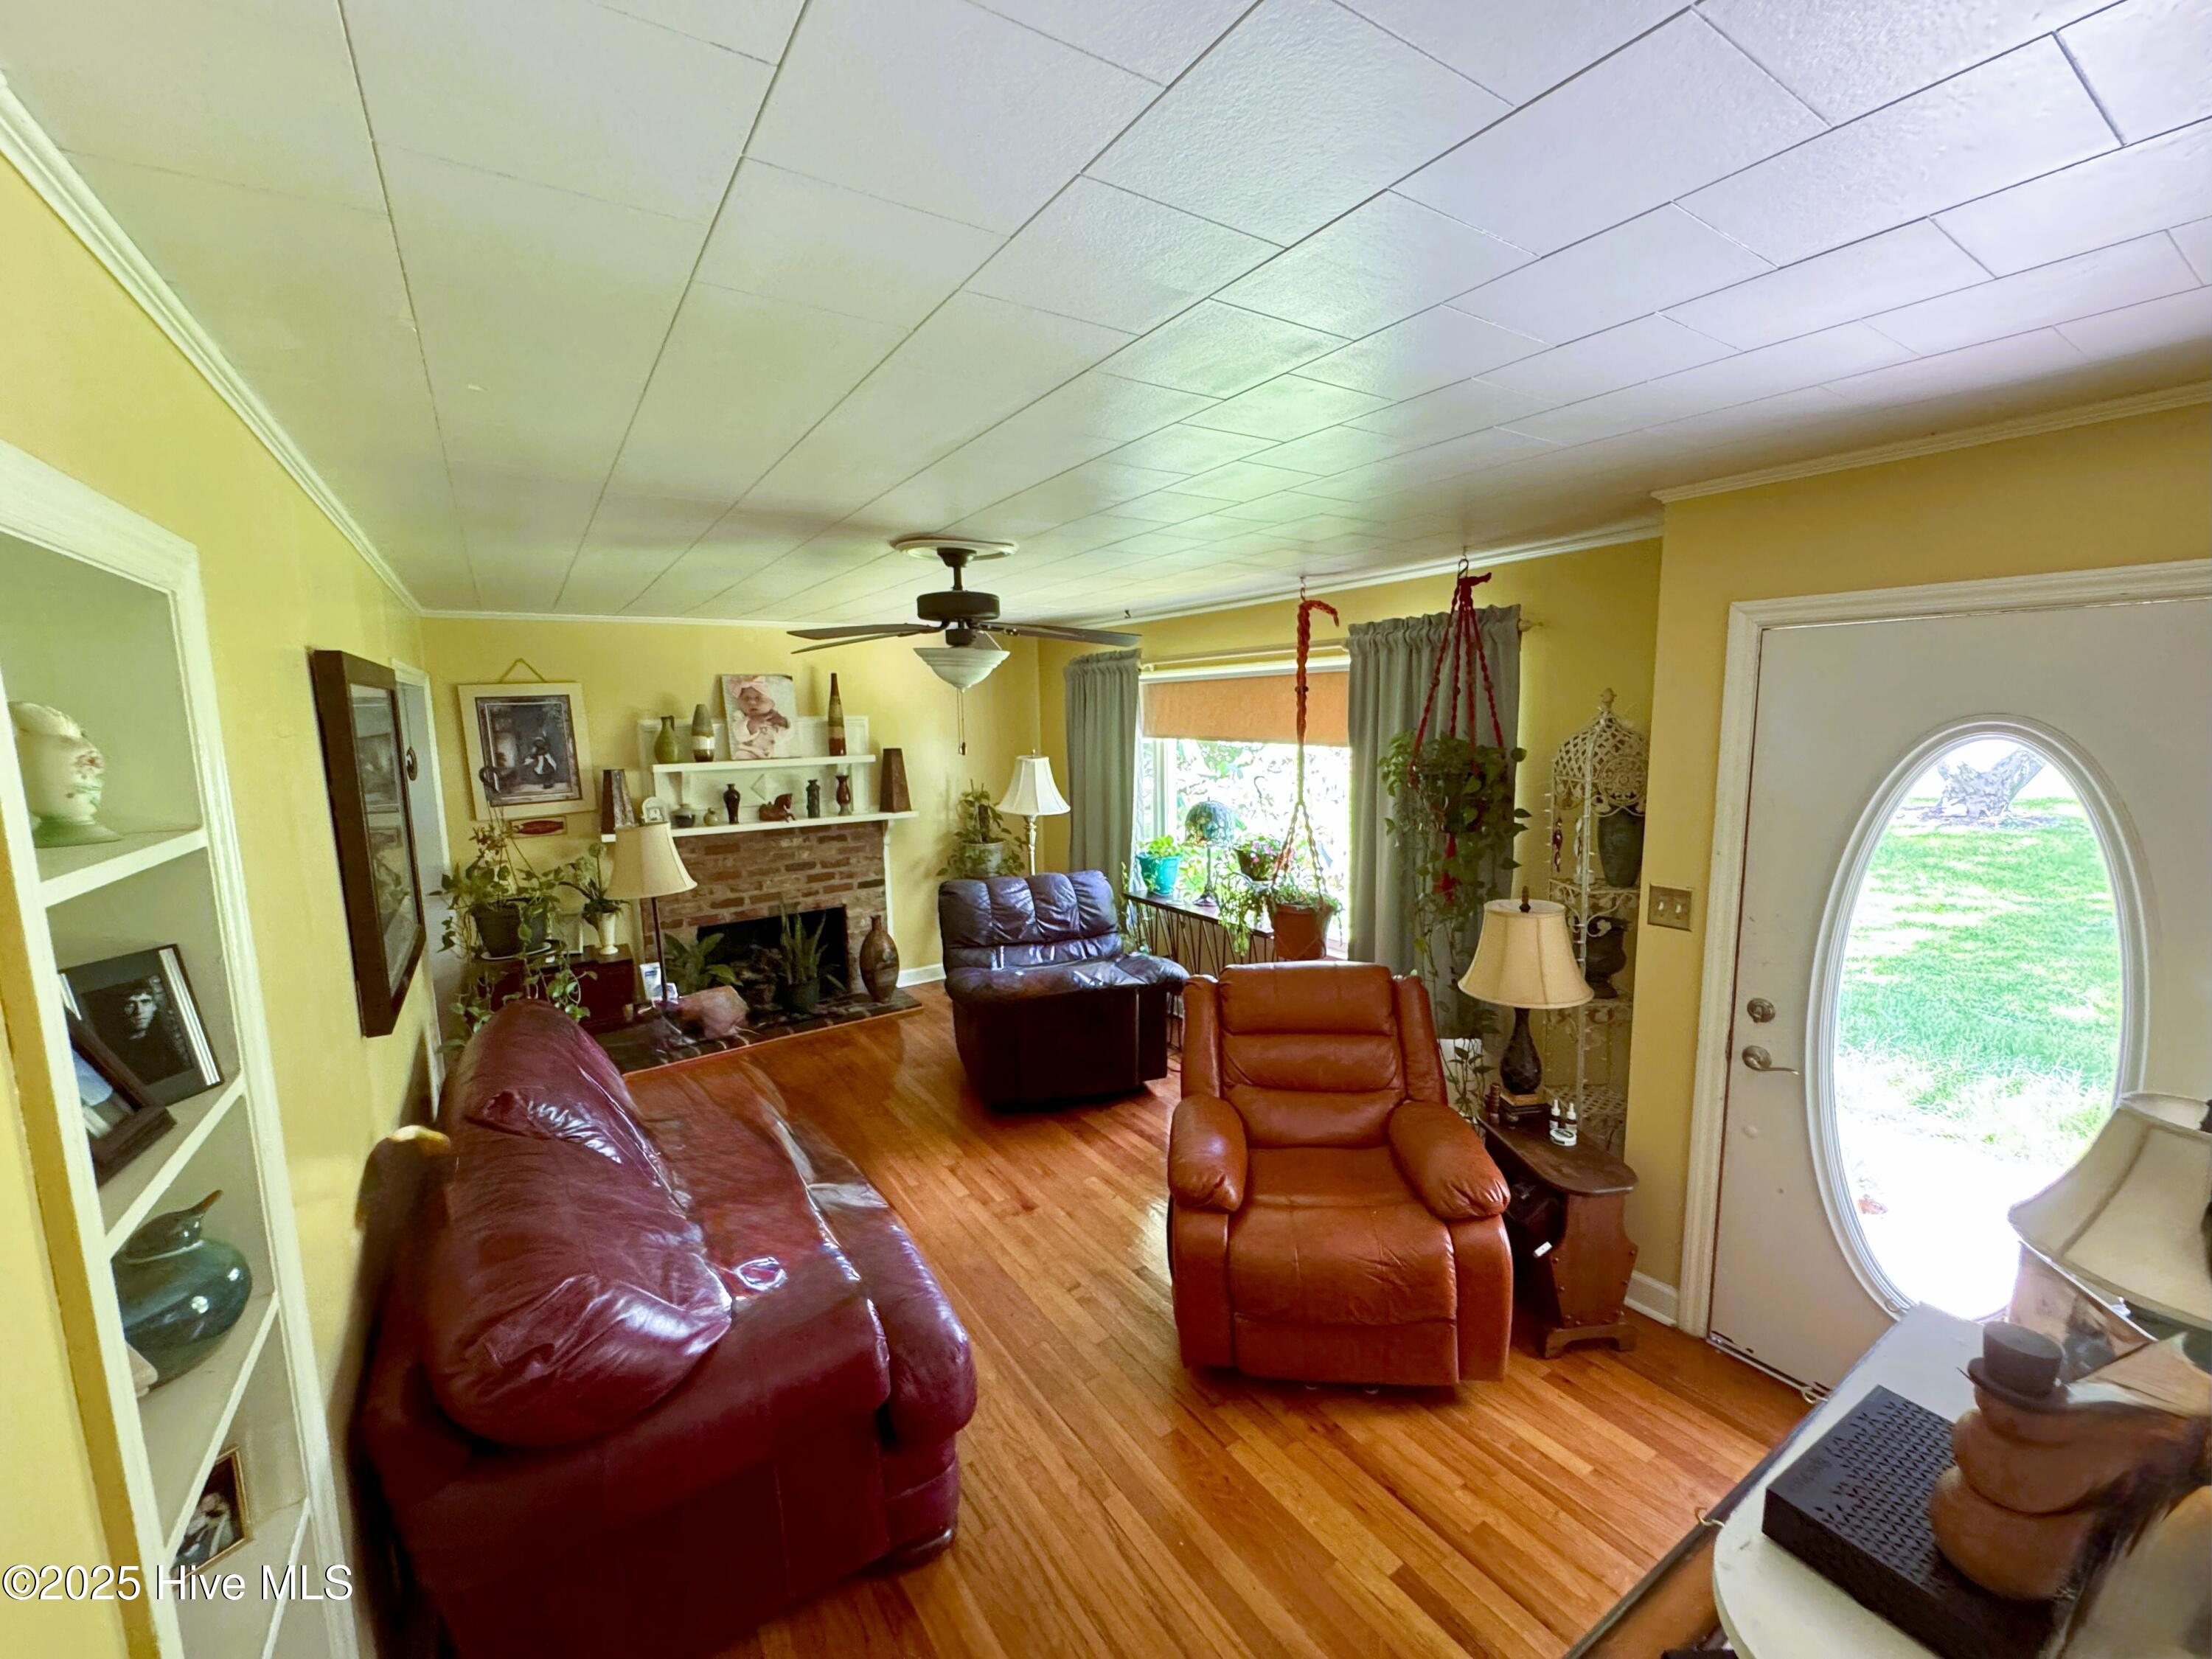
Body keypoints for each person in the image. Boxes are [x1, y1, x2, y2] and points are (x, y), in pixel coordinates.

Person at [109, 980, 189, 1089]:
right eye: (129, 1004)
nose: (139, 1011)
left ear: (154, 1006)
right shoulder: (113, 1052)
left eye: (145, 1002)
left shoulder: (164, 1046)